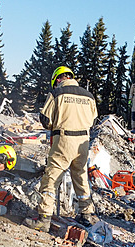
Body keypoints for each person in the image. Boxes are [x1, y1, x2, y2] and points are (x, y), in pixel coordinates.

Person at [24, 66, 98, 232]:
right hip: (83, 142)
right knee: (80, 176)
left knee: (52, 178)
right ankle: (86, 213)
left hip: (64, 140)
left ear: (58, 79)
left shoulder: (57, 93)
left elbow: (45, 119)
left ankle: (44, 218)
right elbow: (93, 120)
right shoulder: (88, 95)